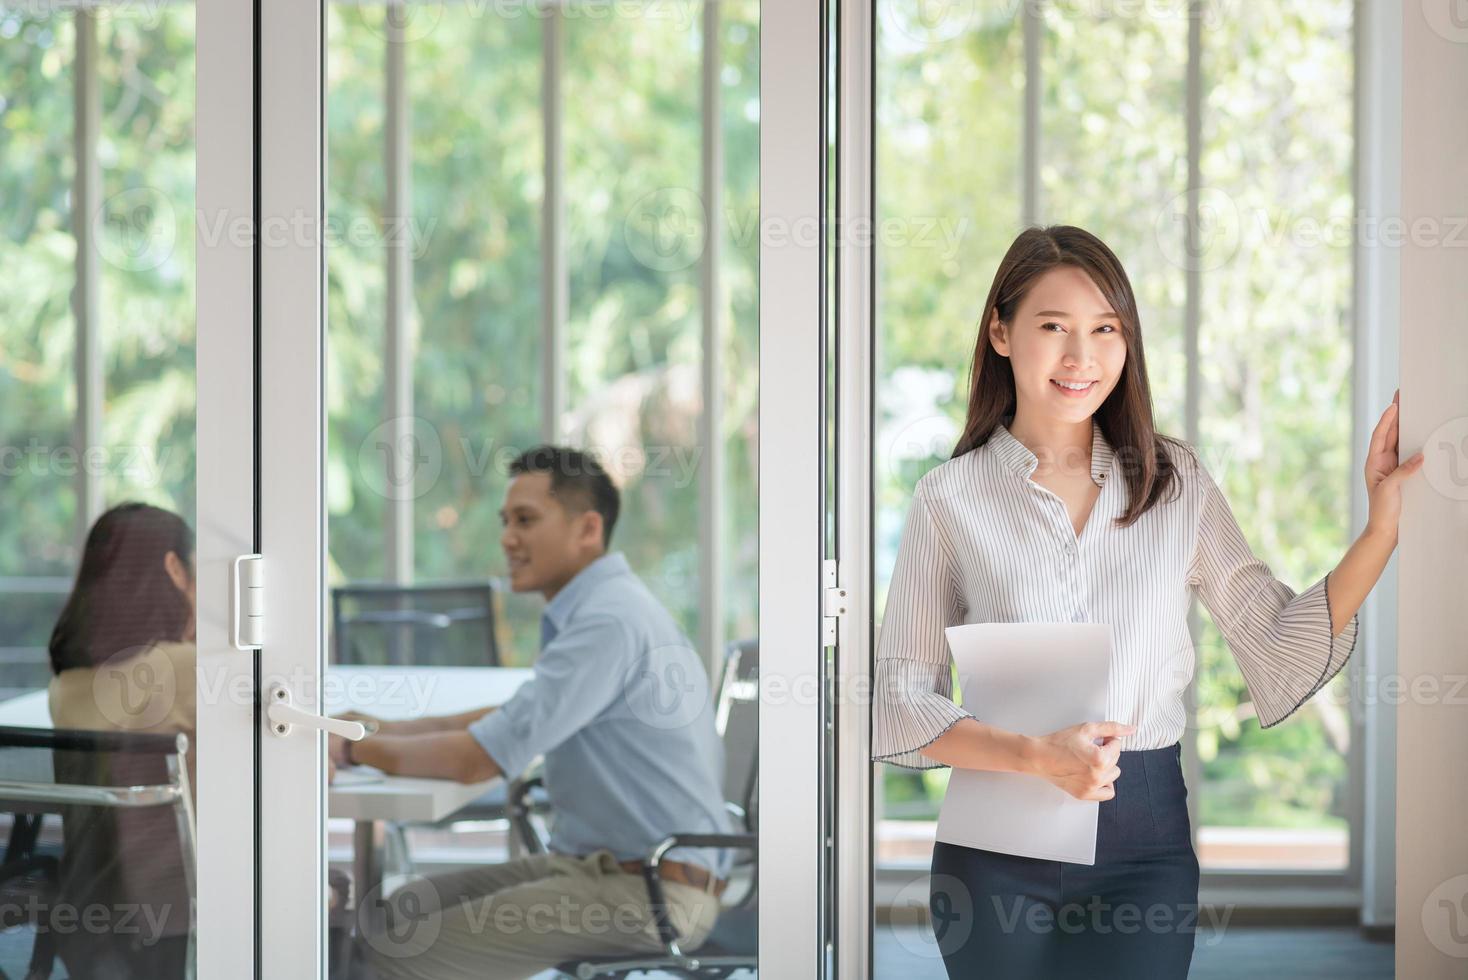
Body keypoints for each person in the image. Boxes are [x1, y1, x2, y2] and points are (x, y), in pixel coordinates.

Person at [870, 225, 1423, 979]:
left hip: (1144, 847)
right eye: (1053, 327)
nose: (1081, 357)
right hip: (995, 854)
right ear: (1000, 332)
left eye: (1106, 330)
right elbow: (900, 699)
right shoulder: (949, 498)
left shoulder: (1176, 483)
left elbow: (1272, 632)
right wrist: (1037, 757)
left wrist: (1381, 531)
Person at [334, 446, 730, 980]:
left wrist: (352, 748)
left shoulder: (608, 621)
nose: (506, 538)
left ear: (587, 529)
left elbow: (476, 760)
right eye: (505, 521)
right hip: (605, 870)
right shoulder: (603, 607)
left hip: (653, 893)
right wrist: (376, 729)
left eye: (526, 520)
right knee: (388, 916)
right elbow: (509, 717)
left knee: (392, 949)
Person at [47, 503, 198, 979]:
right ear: (174, 568)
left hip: (93, 922)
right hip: (184, 919)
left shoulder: (67, 684)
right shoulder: (183, 669)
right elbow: (304, 766)